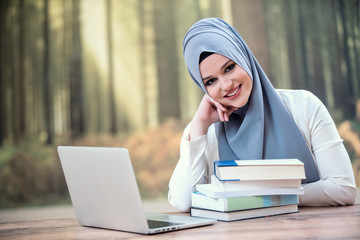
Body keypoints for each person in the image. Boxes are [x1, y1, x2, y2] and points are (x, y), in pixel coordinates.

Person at [168, 18, 357, 212]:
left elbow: (343, 188)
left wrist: (261, 197)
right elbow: (183, 202)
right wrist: (199, 125)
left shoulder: (304, 106)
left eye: (230, 67)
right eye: (210, 81)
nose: (226, 85)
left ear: (243, 57)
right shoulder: (206, 130)